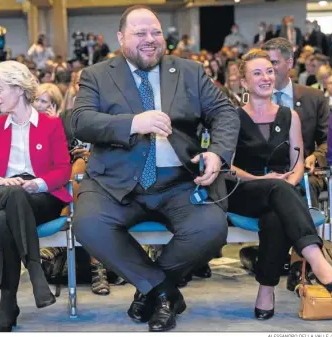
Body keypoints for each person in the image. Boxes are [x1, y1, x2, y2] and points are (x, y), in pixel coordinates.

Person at [71, 5, 239, 332]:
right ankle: (164, 293)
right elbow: (81, 121)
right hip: (115, 183)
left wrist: (218, 154)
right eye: (140, 33)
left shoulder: (190, 71)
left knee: (210, 228)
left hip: (178, 182)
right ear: (121, 38)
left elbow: (225, 113)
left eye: (156, 32)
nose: (150, 40)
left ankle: (149, 291)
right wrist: (133, 122)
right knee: (89, 226)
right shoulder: (97, 75)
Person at [228, 49, 332, 320]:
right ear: (244, 82)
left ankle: (265, 291)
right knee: (279, 191)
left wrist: (289, 181)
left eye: (269, 71)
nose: (266, 77)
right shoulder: (232, 117)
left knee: (276, 216)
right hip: (243, 191)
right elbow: (226, 166)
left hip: (282, 192)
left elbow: (297, 163)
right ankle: (315, 256)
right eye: (257, 73)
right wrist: (262, 180)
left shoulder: (290, 116)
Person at [0, 61, 72, 332]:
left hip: (40, 195)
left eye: (0, 89)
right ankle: (35, 271)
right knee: (10, 198)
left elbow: (63, 169)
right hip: (1, 191)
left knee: (4, 220)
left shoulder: (51, 125)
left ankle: (8, 305)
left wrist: (37, 184)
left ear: (19, 88)